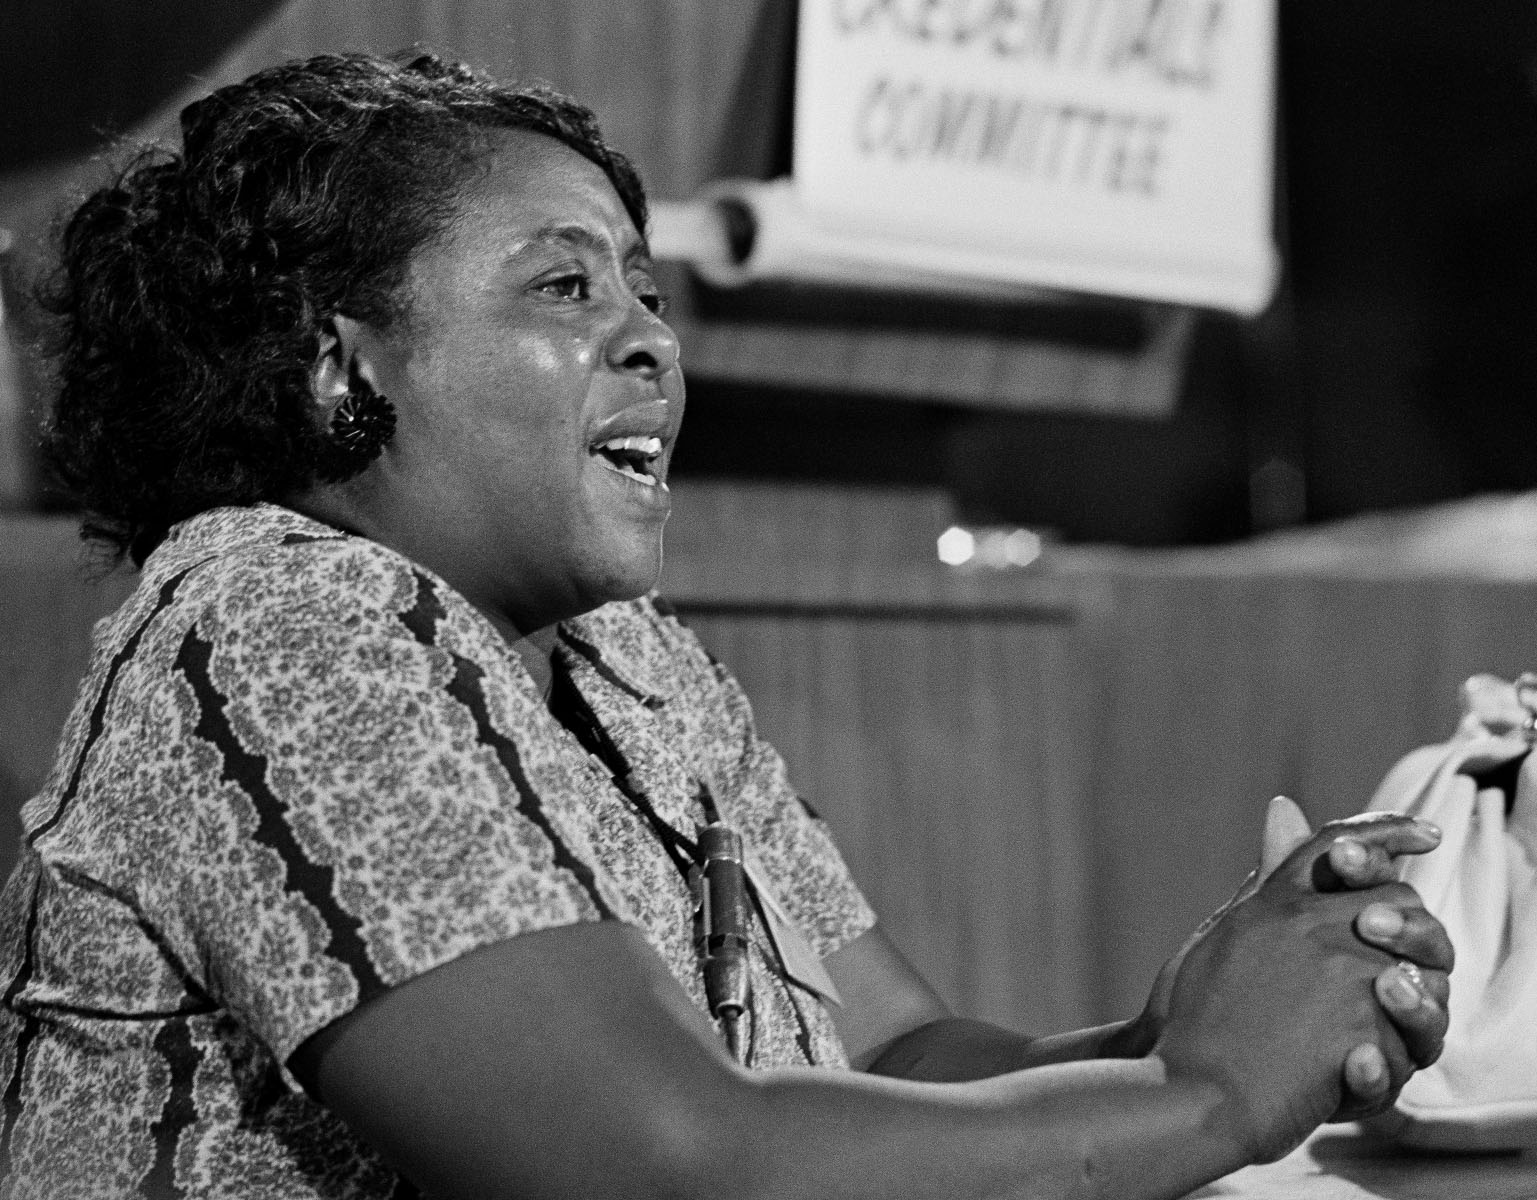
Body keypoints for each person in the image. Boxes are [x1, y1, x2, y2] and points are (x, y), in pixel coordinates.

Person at [0, 52, 1456, 1197]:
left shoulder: (626, 665)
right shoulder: (274, 617)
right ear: (339, 367)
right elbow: (666, 1165)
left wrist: (1182, 1020)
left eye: (647, 285)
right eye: (564, 285)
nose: (649, 335)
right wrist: (1201, 1100)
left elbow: (886, 1057)